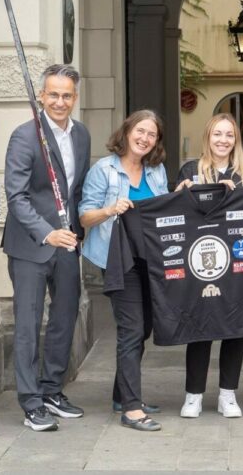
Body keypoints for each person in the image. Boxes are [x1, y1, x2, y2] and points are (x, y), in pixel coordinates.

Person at [3, 64, 91, 432]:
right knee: (27, 322)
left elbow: (77, 189)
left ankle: (52, 389)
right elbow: (17, 195)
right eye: (52, 94)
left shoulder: (82, 135)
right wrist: (47, 233)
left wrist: (75, 232)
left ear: (75, 97)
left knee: (64, 316)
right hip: (31, 244)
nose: (59, 101)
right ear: (41, 96)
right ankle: (31, 401)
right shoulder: (26, 136)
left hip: (67, 242)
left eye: (66, 95)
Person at [79, 110, 169, 431]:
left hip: (150, 261)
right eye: (140, 131)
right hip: (119, 261)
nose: (144, 139)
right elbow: (84, 217)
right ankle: (131, 409)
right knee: (131, 330)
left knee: (143, 328)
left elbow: (165, 208)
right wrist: (110, 209)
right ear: (127, 130)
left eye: (152, 135)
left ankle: (121, 394)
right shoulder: (104, 170)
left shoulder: (156, 171)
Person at [174, 113, 243, 419]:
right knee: (200, 325)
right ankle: (193, 395)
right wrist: (180, 193)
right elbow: (175, 215)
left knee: (236, 325)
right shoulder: (190, 170)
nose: (223, 140)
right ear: (207, 137)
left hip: (237, 263)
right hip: (200, 261)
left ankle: (228, 395)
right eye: (217, 134)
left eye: (230, 135)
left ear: (236, 140)